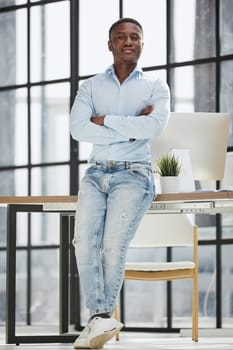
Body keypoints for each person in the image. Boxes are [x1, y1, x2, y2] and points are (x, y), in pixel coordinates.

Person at [70, 17, 170, 349]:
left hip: (134, 173)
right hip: (96, 173)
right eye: (120, 37)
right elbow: (78, 129)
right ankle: (100, 319)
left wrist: (106, 121)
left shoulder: (156, 86)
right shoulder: (90, 86)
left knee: (112, 245)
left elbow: (153, 129)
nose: (128, 41)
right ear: (110, 44)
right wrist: (131, 126)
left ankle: (96, 322)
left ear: (141, 44)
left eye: (135, 37)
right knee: (83, 243)